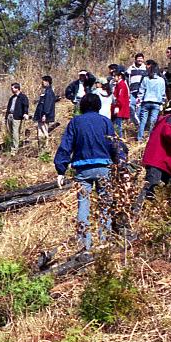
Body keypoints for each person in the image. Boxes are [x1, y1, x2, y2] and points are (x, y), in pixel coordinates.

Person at [54, 92, 121, 251]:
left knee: (83, 205)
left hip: (82, 169)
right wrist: (119, 163)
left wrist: (61, 170)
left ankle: (84, 244)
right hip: (104, 168)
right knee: (105, 204)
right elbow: (114, 145)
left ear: (82, 106)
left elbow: (66, 145)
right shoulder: (105, 122)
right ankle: (104, 241)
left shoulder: (75, 122)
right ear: (98, 106)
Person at [134, 100, 171, 213]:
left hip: (160, 160)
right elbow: (169, 134)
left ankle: (170, 209)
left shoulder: (164, 118)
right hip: (158, 160)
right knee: (151, 185)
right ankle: (136, 211)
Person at [136, 60, 166, 140]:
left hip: (146, 102)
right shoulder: (161, 80)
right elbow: (163, 93)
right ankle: (150, 138)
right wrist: (162, 103)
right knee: (153, 121)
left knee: (143, 120)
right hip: (156, 102)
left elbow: (141, 91)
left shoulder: (146, 79)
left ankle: (140, 137)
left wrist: (139, 101)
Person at [33, 75, 57, 148]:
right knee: (40, 133)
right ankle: (41, 147)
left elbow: (47, 105)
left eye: (43, 81)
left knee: (44, 132)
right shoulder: (45, 91)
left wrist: (45, 115)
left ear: (47, 82)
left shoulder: (49, 92)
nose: (42, 83)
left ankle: (45, 147)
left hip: (44, 116)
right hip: (40, 115)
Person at [5, 82, 29, 152]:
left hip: (17, 117)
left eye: (12, 88)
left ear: (17, 88)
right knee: (10, 132)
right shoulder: (12, 98)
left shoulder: (23, 97)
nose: (11, 89)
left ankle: (15, 149)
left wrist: (25, 113)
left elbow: (26, 106)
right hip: (10, 115)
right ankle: (11, 146)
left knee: (15, 132)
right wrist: (6, 117)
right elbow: (8, 107)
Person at [125, 53, 147, 123]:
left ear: (143, 59)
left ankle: (138, 122)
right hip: (132, 90)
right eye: (138, 58)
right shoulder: (130, 68)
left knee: (139, 106)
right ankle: (132, 121)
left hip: (141, 91)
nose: (140, 60)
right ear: (135, 59)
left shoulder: (145, 68)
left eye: (141, 58)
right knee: (131, 105)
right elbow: (127, 79)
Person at [111, 67, 132, 139]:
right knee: (116, 125)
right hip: (118, 107)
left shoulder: (122, 85)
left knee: (118, 126)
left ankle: (119, 140)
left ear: (119, 76)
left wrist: (117, 106)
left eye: (115, 76)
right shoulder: (118, 84)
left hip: (120, 108)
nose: (113, 77)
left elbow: (121, 97)